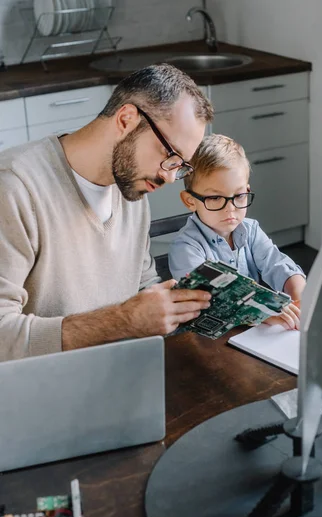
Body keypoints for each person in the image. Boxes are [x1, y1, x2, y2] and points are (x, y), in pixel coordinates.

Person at [0, 64, 214, 362]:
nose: (169, 176)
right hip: (39, 395)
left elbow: (143, 286)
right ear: (126, 119)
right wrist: (123, 320)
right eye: (170, 155)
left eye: (181, 166)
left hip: (115, 376)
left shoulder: (131, 188)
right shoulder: (14, 187)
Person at [168, 134, 306, 330]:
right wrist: (264, 311)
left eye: (239, 196)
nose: (230, 209)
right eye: (215, 198)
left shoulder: (250, 230)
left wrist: (299, 297)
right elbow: (210, 301)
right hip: (207, 339)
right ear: (190, 201)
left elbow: (278, 264)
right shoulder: (186, 248)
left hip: (250, 333)